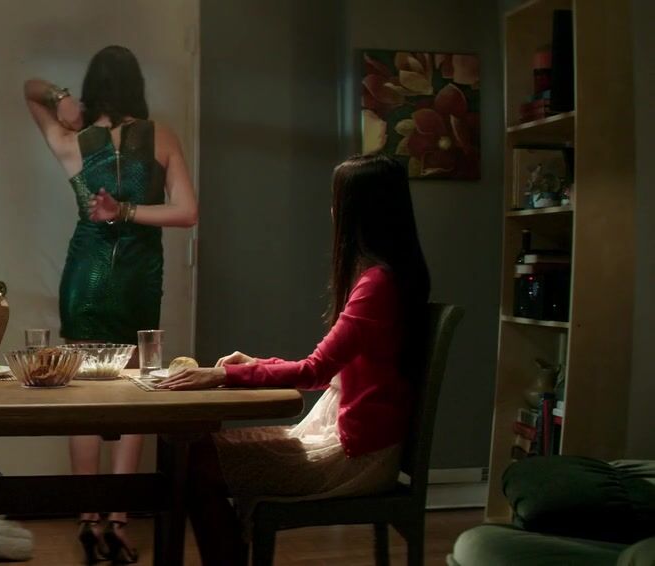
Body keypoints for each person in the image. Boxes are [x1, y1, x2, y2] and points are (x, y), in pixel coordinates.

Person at [158, 154, 432, 565]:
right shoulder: (385, 277)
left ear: (358, 210)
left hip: (355, 456)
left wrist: (222, 375)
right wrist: (251, 363)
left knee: (196, 462)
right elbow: (323, 368)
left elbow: (314, 371)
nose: (332, 211)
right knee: (194, 454)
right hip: (353, 440)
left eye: (337, 200)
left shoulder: (377, 284)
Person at [24, 45, 198, 564]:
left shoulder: (70, 140)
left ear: (91, 88)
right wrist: (127, 210)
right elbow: (187, 212)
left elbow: (29, 90)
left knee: (82, 394)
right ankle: (118, 522)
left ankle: (87, 518)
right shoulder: (161, 135)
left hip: (86, 275)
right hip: (138, 278)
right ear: (136, 86)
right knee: (135, 392)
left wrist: (59, 97)